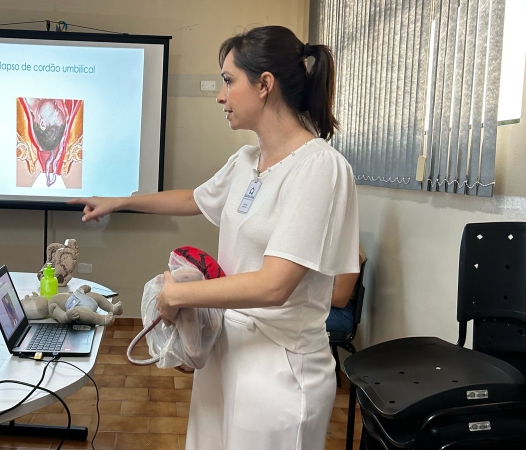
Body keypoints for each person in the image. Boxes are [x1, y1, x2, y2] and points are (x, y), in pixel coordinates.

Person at [69, 25, 359, 450]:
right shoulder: (247, 161)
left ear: (264, 85)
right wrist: (119, 201)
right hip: (225, 349)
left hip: (278, 369)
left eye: (228, 81)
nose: (221, 96)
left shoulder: (319, 168)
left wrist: (179, 295)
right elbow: (194, 198)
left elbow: (275, 285)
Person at [327, 243, 367, 334]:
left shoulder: (350, 250)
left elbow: (340, 301)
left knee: (294, 318)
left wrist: (302, 297)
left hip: (340, 312)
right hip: (318, 305)